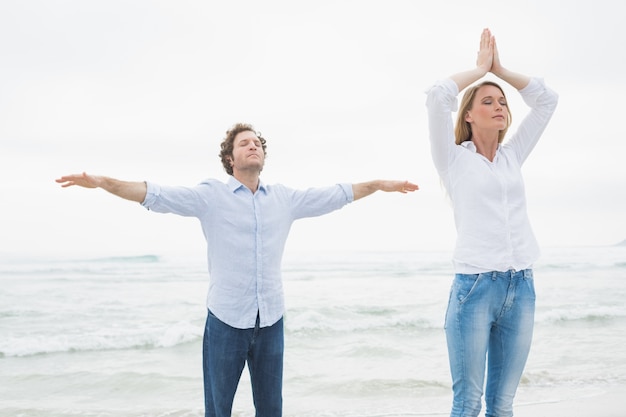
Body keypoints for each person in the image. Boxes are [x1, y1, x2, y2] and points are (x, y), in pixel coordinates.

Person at [56, 122, 418, 417]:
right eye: (245, 143)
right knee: (218, 411)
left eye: (258, 142)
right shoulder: (210, 196)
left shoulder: (284, 199)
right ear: (230, 158)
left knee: (271, 409)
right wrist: (104, 183)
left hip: (271, 320)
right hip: (226, 320)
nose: (254, 146)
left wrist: (378, 185)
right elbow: (154, 194)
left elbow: (336, 194)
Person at [425, 29, 558, 417]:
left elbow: (547, 101)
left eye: (502, 101)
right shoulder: (452, 159)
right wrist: (480, 69)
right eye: (488, 100)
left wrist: (502, 71)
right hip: (475, 289)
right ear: (468, 114)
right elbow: (437, 96)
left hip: (522, 286)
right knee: (468, 403)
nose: (500, 105)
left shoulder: (513, 154)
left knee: (502, 405)